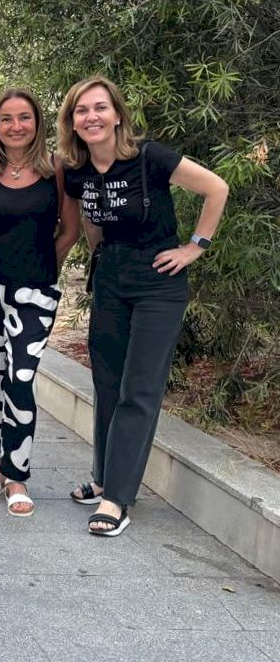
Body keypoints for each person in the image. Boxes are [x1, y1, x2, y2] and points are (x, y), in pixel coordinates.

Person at [59, 76, 227, 537]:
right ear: (72, 121)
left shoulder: (150, 157)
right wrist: (100, 258)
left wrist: (194, 247)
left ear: (117, 115)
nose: (91, 116)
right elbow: (92, 222)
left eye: (99, 107)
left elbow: (216, 188)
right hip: (111, 278)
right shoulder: (77, 171)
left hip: (158, 281)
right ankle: (103, 478)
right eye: (81, 110)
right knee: (107, 382)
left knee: (139, 389)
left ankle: (117, 499)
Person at [0, 89, 79, 517]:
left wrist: (43, 265)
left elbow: (70, 230)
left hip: (35, 289)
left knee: (21, 377)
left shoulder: (58, 170)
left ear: (37, 123)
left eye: (24, 117)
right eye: (6, 119)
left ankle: (17, 475)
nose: (15, 126)